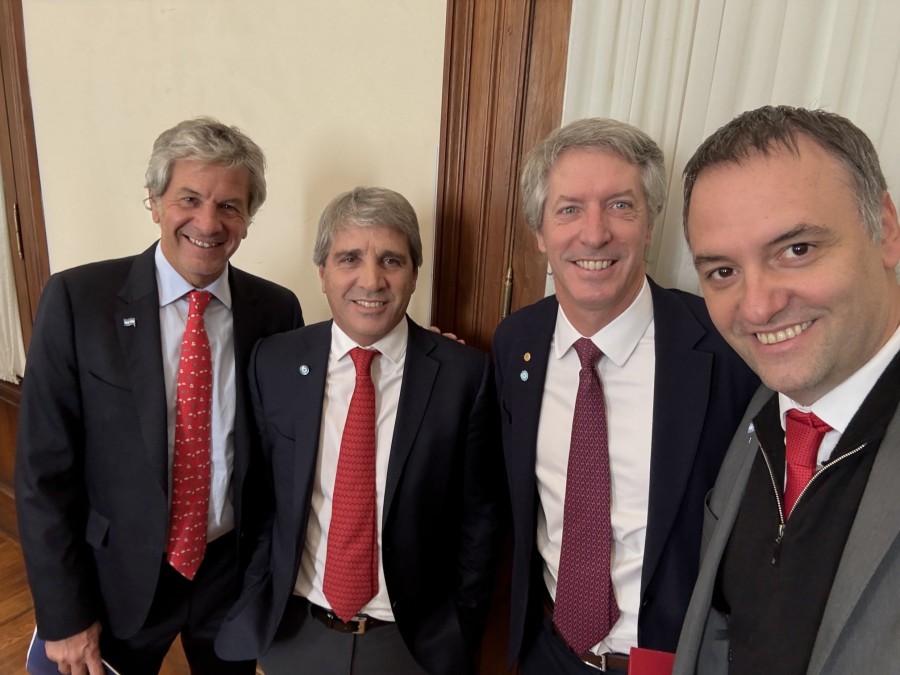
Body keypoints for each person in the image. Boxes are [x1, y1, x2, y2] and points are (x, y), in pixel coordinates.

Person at [15, 117, 304, 675]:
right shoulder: (79, 300)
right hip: (111, 578)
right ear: (153, 201)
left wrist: (415, 348)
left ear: (247, 219)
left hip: (227, 577)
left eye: (229, 206)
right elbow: (41, 474)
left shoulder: (277, 310)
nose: (207, 221)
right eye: (188, 198)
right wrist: (64, 614)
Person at [492, 117, 759, 674]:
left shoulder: (725, 347)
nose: (594, 234)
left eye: (620, 205)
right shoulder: (516, 341)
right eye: (568, 209)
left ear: (650, 224)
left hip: (672, 663)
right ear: (539, 232)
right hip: (548, 653)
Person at [214, 186, 503, 674]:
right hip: (294, 630)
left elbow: (479, 521)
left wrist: (460, 626)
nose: (370, 280)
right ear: (323, 273)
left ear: (414, 274)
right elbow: (260, 500)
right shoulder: (276, 362)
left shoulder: (465, 377)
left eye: (391, 260)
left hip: (411, 642)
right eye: (349, 258)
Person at [672, 105, 900, 674]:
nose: (757, 306)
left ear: (886, 230)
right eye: (723, 271)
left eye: (796, 250)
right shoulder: (762, 413)